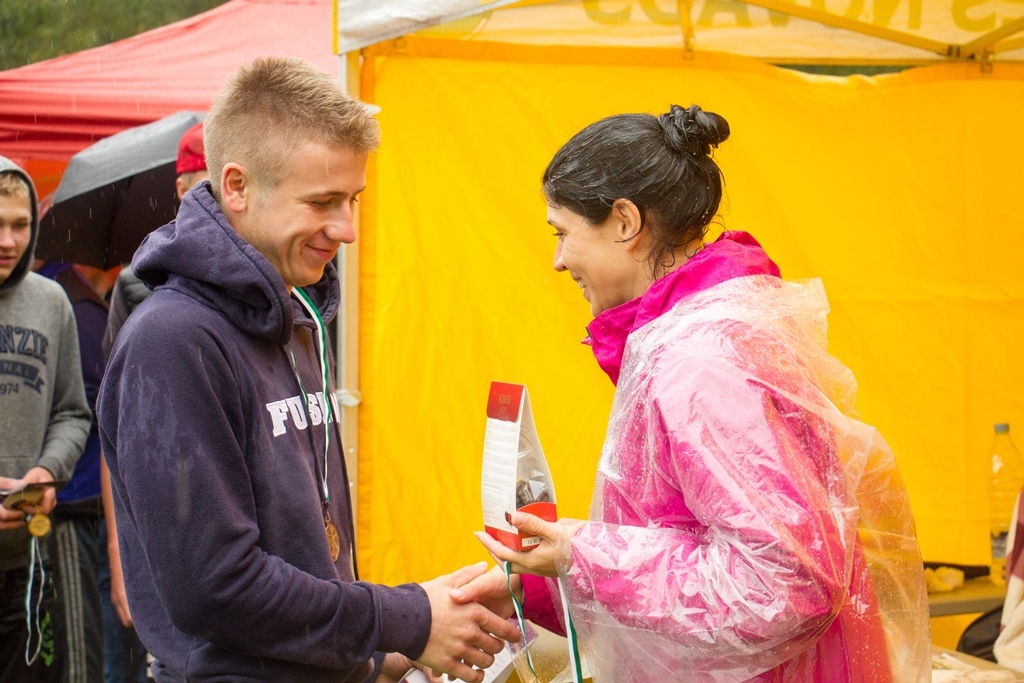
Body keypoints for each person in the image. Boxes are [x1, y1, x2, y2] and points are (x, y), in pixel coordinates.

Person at [455, 105, 931, 681]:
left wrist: (582, 555)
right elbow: (687, 539)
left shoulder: (702, 359)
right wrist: (543, 582)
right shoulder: (701, 331)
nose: (558, 261)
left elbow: (781, 586)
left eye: (563, 231)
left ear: (626, 221)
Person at [98, 57, 519, 683]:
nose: (347, 229)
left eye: (352, 199)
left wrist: (376, 656)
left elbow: (300, 553)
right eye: (323, 201)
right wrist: (403, 617)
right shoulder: (172, 340)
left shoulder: (297, 313)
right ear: (236, 186)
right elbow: (215, 587)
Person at [99, 120, 208, 683]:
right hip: (166, 496)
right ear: (180, 189)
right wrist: (122, 558)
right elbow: (111, 426)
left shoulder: (290, 282)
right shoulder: (138, 282)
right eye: (199, 190)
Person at [0, 157, 92, 681]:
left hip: (30, 564)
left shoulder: (51, 301)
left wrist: (47, 469)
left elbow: (72, 412)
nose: (9, 240)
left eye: (20, 224)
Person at [35, 258, 115, 683]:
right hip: (74, 500)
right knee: (82, 645)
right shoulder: (73, 303)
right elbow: (92, 409)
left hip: (72, 496)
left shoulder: (63, 296)